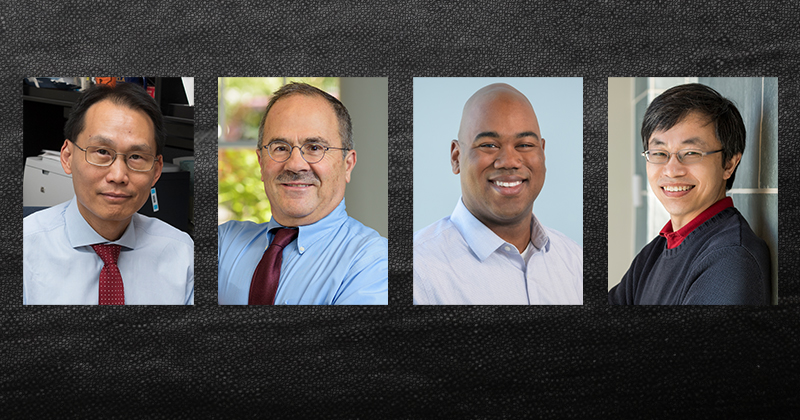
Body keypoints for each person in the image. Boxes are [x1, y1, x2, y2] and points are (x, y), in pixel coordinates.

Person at [217, 82, 388, 305]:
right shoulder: (224, 242)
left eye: (315, 148)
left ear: (347, 164)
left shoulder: (373, 261)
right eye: (280, 147)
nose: (295, 164)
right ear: (261, 162)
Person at [23, 82, 194, 305]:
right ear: (67, 157)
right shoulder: (25, 250)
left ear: (156, 171)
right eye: (102, 152)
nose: (118, 175)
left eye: (136, 157)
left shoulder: (183, 254)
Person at [413, 83, 583, 305]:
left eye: (524, 145)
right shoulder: (418, 270)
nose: (509, 162)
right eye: (489, 145)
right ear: (456, 158)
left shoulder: (575, 260)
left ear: (543, 154)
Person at [608, 83, 770, 305]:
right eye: (659, 153)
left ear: (729, 164)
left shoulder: (730, 260)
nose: (672, 170)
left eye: (691, 152)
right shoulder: (653, 253)